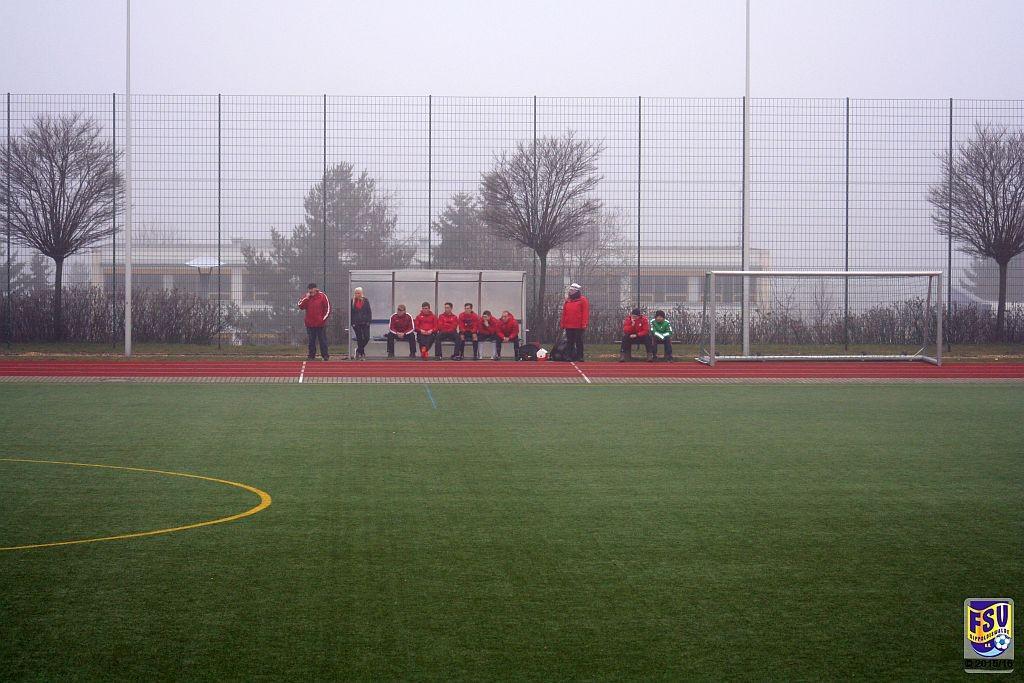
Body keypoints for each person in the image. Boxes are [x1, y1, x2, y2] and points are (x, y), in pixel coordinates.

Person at [298, 282, 331, 361]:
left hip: (320, 324)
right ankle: (311, 355)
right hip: (310, 324)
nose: (311, 291)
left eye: (312, 289)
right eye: (309, 289)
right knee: (311, 341)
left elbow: (328, 308)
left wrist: (323, 319)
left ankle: (325, 355)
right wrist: (306, 298)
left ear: (316, 289)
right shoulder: (306, 297)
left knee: (322, 340)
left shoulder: (322, 296)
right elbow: (300, 306)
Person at [560, 282, 589, 362]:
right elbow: (564, 313)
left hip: (578, 325)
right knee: (570, 342)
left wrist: (584, 323)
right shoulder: (567, 301)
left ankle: (580, 356)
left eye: (572, 290)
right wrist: (563, 323)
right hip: (568, 325)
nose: (570, 292)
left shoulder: (583, 300)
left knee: (579, 341)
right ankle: (568, 356)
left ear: (576, 291)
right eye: (570, 290)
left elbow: (585, 313)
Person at [350, 287, 373, 360]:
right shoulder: (352, 301)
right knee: (359, 338)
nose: (357, 294)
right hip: (356, 323)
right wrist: (352, 323)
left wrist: (368, 321)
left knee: (366, 337)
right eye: (356, 293)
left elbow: (369, 311)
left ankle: (358, 350)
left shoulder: (365, 301)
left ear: (361, 293)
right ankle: (362, 354)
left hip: (365, 322)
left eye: (358, 293)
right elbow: (351, 313)